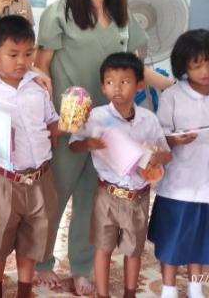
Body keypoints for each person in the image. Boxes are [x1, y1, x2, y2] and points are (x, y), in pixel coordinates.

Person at [32, 0, 173, 295]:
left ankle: (81, 266)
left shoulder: (123, 17)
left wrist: (175, 87)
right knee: (55, 195)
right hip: (70, 125)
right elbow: (41, 67)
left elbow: (136, 68)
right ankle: (41, 261)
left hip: (111, 125)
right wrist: (49, 119)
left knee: (90, 199)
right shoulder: (60, 13)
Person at [0, 15, 59, 298]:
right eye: (13, 54)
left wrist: (72, 121)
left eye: (28, 54)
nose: (22, 62)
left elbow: (51, 123)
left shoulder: (39, 87)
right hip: (1, 179)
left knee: (34, 236)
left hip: (39, 176)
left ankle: (24, 290)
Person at [69, 52, 172, 298]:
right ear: (103, 87)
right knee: (102, 247)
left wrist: (158, 157)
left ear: (140, 85)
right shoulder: (96, 116)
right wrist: (89, 143)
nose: (116, 87)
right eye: (110, 82)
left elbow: (167, 153)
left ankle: (129, 293)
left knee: (133, 250)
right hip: (107, 194)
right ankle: (103, 294)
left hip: (138, 196)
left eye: (124, 81)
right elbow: (73, 145)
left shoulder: (148, 119)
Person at [150, 30, 209, 298]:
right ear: (184, 66)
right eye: (197, 65)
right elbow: (159, 136)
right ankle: (168, 288)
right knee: (172, 238)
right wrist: (176, 139)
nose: (206, 71)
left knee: (202, 239)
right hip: (180, 184)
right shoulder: (172, 96)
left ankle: (195, 287)